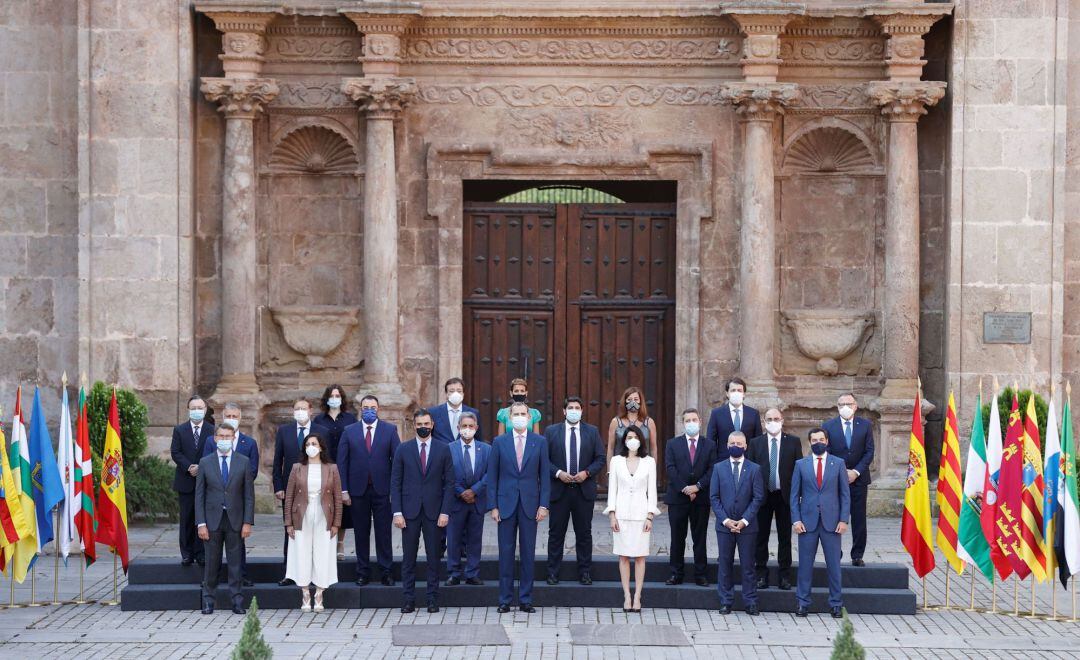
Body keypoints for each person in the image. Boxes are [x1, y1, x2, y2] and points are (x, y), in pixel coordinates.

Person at [487, 401, 550, 613]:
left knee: (527, 553)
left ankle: (525, 599)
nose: (520, 417)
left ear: (530, 417)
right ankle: (504, 599)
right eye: (516, 414)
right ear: (510, 417)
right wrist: (493, 506)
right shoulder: (499, 442)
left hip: (530, 505)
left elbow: (545, 477)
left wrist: (543, 505)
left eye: (524, 413)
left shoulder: (540, 442)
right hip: (505, 504)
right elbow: (492, 476)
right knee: (505, 553)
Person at [391, 410, 454, 613]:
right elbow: (396, 483)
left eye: (426, 423)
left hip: (435, 513)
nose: (423, 427)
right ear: (413, 425)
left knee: (433, 558)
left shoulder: (443, 449)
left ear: (432, 424)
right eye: (419, 424)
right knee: (408, 558)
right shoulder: (403, 449)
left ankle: (432, 599)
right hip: (409, 512)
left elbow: (450, 484)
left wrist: (445, 512)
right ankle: (408, 599)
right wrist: (397, 512)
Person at [338, 394, 400, 586]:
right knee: (361, 532)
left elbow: (397, 461)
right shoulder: (349, 431)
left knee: (383, 533)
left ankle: (386, 571)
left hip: (382, 491)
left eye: (373, 407)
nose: (369, 410)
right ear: (360, 409)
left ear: (378, 409)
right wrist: (344, 490)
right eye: (366, 407)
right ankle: (362, 571)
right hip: (357, 491)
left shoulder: (389, 430)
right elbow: (342, 462)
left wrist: (394, 490)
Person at [544, 397, 605, 585]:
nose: (573, 410)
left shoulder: (592, 432)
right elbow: (543, 459)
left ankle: (585, 572)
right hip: (559, 490)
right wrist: (558, 473)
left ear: (582, 410)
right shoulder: (551, 431)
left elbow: (600, 458)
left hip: (583, 491)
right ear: (564, 411)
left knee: (584, 534)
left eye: (577, 408)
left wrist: (587, 473)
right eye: (570, 408)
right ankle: (553, 572)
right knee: (556, 534)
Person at [791, 427, 850, 618]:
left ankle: (835, 604)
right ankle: (802, 603)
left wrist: (843, 519)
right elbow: (794, 496)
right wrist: (796, 519)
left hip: (832, 523)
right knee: (805, 565)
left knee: (834, 566)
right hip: (807, 523)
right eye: (814, 440)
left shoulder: (838, 463)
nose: (818, 443)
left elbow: (844, 494)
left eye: (821, 440)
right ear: (809, 443)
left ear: (827, 441)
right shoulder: (801, 464)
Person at [195, 425, 254, 615]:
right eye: (221, 436)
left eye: (228, 436)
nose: (224, 439)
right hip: (212, 521)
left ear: (233, 437)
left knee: (235, 563)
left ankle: (237, 601)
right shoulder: (205, 462)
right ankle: (208, 601)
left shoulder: (243, 462)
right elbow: (200, 496)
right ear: (215, 438)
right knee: (212, 563)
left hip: (235, 520)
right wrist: (201, 523)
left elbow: (248, 496)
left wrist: (247, 522)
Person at [272, 399, 329, 586]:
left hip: (316, 489)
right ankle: (290, 573)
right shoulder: (284, 431)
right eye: (297, 409)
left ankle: (315, 574)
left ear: (310, 410)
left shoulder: (322, 432)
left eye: (303, 408)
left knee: (315, 532)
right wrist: (278, 486)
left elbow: (329, 462)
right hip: (291, 490)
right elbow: (277, 461)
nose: (300, 411)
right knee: (292, 531)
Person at [284, 431, 342, 612]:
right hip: (301, 515)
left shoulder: (332, 468)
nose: (311, 447)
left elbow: (338, 498)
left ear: (321, 447)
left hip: (324, 515)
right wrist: (288, 523)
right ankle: (304, 592)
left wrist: (336, 524)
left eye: (314, 444)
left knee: (323, 553)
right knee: (302, 552)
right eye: (308, 444)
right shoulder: (297, 468)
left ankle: (319, 593)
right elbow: (290, 496)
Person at [603, 425, 659, 613]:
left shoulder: (649, 461)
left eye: (635, 436)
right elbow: (613, 489)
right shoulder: (617, 461)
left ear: (640, 440)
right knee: (624, 556)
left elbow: (652, 490)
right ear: (624, 440)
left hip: (641, 515)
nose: (632, 440)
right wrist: (612, 515)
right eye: (629, 437)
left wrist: (650, 516)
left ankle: (638, 596)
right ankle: (627, 595)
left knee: (641, 557)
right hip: (622, 514)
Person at [203, 402, 259, 586]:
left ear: (240, 419)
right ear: (222, 416)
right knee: (214, 546)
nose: (232, 419)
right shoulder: (212, 441)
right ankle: (213, 577)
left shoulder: (249, 443)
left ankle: (240, 575)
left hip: (238, 499)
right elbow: (206, 467)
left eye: (235, 416)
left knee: (237, 544)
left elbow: (252, 471)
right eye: (229, 416)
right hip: (216, 501)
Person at [746, 407, 802, 590]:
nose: (772, 422)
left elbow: (798, 470)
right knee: (760, 537)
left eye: (776, 418)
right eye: (769, 419)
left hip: (784, 496)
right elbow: (751, 472)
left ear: (782, 419)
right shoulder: (755, 443)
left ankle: (784, 576)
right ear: (763, 422)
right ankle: (761, 574)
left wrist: (798, 496)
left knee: (785, 538)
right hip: (762, 496)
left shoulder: (793, 442)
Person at [710, 431, 765, 615]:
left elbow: (758, 498)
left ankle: (750, 601)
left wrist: (744, 521)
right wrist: (725, 520)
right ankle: (726, 600)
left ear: (745, 446)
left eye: (739, 443)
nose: (736, 446)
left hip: (747, 527)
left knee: (748, 565)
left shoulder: (755, 469)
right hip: (724, 526)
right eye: (732, 442)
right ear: (727, 445)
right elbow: (714, 497)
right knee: (725, 564)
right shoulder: (718, 468)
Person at [664, 408, 716, 586]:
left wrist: (698, 487)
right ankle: (675, 573)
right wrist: (685, 488)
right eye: (688, 420)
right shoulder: (672, 444)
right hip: (678, 498)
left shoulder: (709, 445)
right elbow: (670, 468)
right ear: (683, 423)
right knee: (677, 537)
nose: (691, 423)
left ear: (700, 422)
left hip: (700, 499)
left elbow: (712, 469)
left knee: (699, 538)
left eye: (694, 420)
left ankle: (700, 574)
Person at [822, 392, 873, 566]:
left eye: (849, 404)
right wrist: (841, 471)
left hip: (859, 480)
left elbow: (869, 452)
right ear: (837, 406)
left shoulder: (865, 425)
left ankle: (857, 555)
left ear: (855, 406)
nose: (845, 407)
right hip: (836, 479)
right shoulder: (828, 426)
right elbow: (826, 450)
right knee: (835, 517)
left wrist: (856, 472)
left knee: (859, 519)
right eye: (841, 404)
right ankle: (836, 552)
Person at [312, 384, 357, 560]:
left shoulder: (350, 419)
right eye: (331, 395)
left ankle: (339, 543)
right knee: (325, 505)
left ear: (342, 398)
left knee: (342, 507)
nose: (335, 398)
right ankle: (325, 541)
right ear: (326, 398)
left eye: (338, 395)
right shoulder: (319, 420)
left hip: (344, 466)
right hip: (325, 465)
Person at [171, 394, 214, 567]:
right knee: (187, 518)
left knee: (202, 518)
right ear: (188, 410)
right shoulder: (179, 430)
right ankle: (187, 553)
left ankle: (201, 552)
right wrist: (189, 467)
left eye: (200, 408)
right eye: (193, 408)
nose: (197, 411)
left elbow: (213, 452)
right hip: (186, 480)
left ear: (205, 410)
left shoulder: (212, 430)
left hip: (205, 481)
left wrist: (201, 467)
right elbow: (176, 452)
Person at [446, 412, 488, 586]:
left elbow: (490, 473)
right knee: (454, 538)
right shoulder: (449, 448)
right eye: (464, 426)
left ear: (476, 428)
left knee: (474, 538)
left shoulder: (486, 449)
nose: (468, 429)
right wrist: (461, 492)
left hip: (477, 501)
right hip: (457, 501)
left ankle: (472, 573)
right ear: (458, 428)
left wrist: (475, 491)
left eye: (471, 426)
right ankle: (454, 573)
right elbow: (447, 474)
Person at [706, 377, 762, 461]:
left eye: (739, 390)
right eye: (733, 390)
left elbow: (758, 441)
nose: (736, 393)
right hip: (723, 463)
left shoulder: (753, 414)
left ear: (744, 394)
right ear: (727, 393)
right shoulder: (716, 414)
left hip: (748, 463)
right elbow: (711, 441)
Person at [606, 386, 658, 465]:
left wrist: (653, 469)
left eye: (636, 399)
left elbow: (653, 449)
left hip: (643, 465)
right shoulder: (615, 422)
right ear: (625, 401)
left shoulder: (649, 422)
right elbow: (610, 448)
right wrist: (610, 471)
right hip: (620, 466)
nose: (633, 402)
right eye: (629, 399)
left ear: (640, 401)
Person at [429, 377, 483, 444]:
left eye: (459, 391)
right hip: (441, 453)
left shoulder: (473, 413)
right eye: (451, 391)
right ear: (446, 394)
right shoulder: (433, 412)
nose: (455, 394)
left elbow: (478, 438)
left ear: (463, 394)